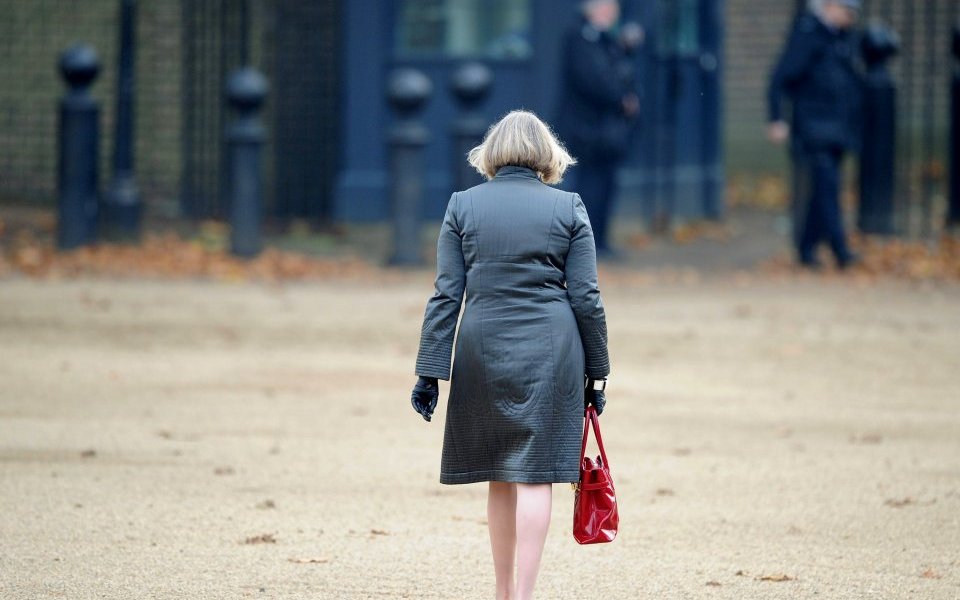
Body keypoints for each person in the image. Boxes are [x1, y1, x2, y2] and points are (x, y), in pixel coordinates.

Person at [410, 110, 610, 600]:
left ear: (492, 154)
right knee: (537, 473)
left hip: (482, 348)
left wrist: (429, 371)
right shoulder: (570, 208)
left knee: (497, 471)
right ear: (546, 153)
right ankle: (524, 594)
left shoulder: (462, 206)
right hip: (552, 351)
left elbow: (445, 295)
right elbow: (586, 297)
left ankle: (501, 592)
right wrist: (598, 372)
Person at [767, 0, 863, 269]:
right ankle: (840, 249)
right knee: (828, 188)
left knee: (822, 190)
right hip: (813, 126)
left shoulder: (843, 38)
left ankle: (806, 249)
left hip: (838, 127)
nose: (851, 17)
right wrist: (776, 118)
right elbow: (779, 78)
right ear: (831, 6)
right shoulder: (808, 34)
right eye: (847, 10)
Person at [556, 0, 640, 260]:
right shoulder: (580, 37)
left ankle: (600, 240)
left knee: (605, 185)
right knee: (588, 187)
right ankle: (585, 244)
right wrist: (620, 98)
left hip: (607, 132)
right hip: (586, 130)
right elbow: (595, 80)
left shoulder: (606, 40)